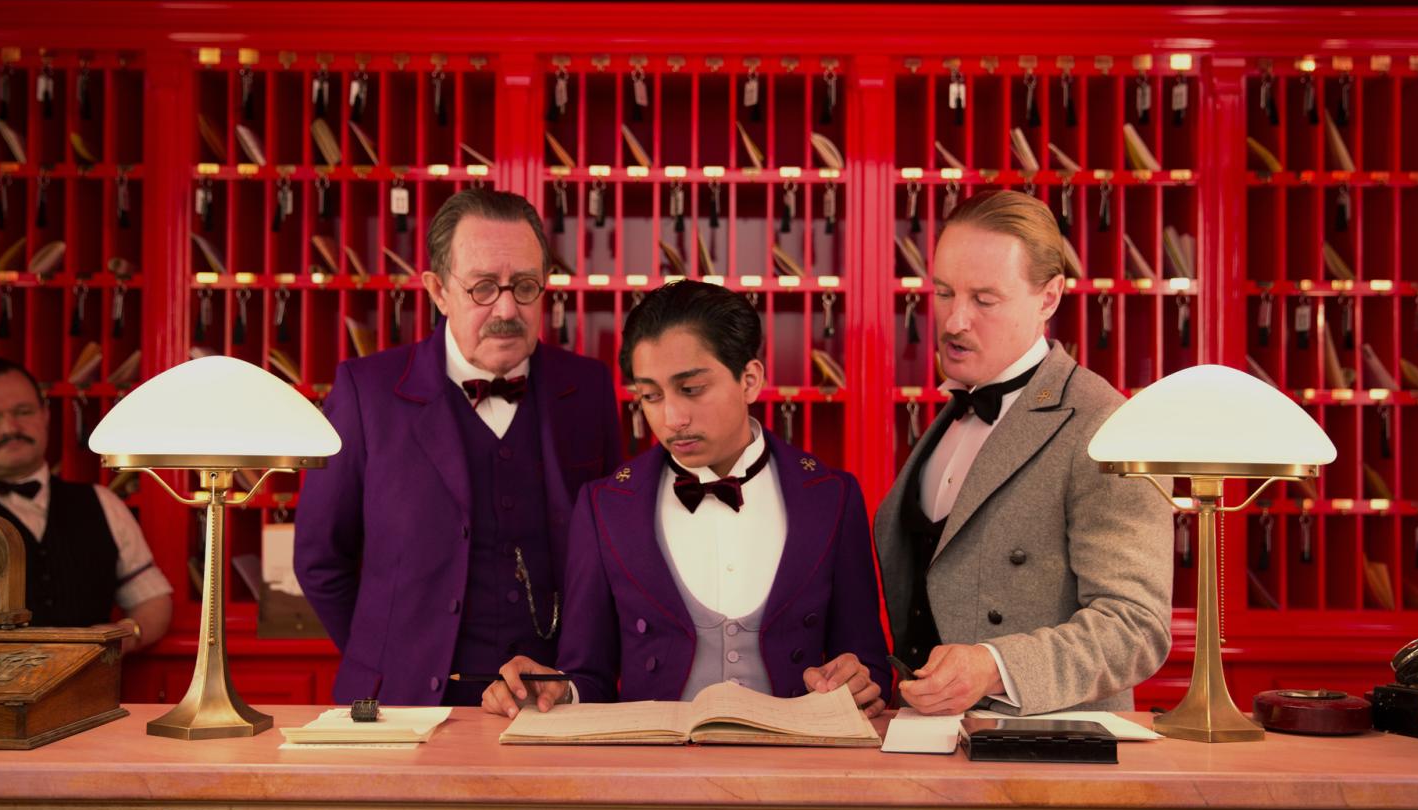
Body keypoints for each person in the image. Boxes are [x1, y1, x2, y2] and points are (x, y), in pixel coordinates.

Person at [483, 279, 889, 718]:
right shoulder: (605, 507)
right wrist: (554, 692)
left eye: (691, 389)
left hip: (795, 758)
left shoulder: (832, 497)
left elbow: (869, 667)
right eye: (650, 396)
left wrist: (859, 682)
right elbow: (588, 676)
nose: (672, 417)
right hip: (652, 758)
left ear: (750, 380)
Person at [295, 188, 622, 706]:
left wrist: (576, 676)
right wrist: (385, 660)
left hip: (549, 706)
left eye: (525, 286)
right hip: (401, 707)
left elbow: (610, 554)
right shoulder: (366, 392)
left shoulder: (588, 388)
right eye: (483, 288)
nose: (507, 309)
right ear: (438, 291)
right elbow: (320, 558)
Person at [874, 190, 1172, 716]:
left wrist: (994, 665)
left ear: (1049, 297)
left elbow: (1135, 628)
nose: (953, 321)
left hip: (1043, 749)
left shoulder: (1105, 423)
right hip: (926, 734)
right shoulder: (951, 414)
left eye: (984, 300)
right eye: (943, 292)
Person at [0, 357, 172, 649]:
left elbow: (153, 598)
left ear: (45, 415)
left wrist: (125, 636)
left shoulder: (103, 502)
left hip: (86, 679)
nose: (9, 428)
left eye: (23, 412)